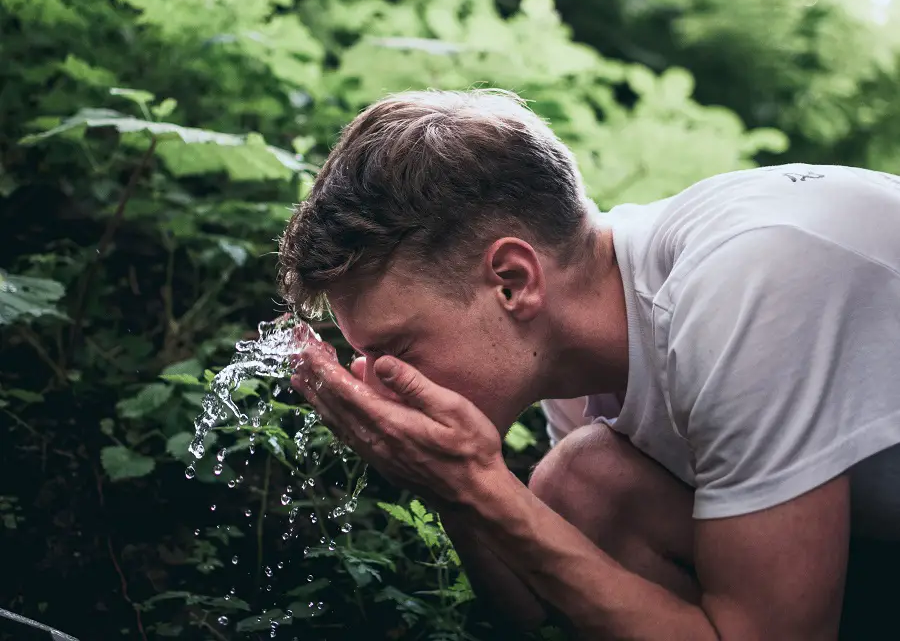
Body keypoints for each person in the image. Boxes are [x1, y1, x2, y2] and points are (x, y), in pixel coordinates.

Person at [278, 88, 900, 640]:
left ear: (512, 281)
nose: (377, 380)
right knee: (582, 484)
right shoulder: (577, 341)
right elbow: (532, 607)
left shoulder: (740, 290)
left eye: (396, 350)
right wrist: (453, 488)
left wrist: (474, 481)